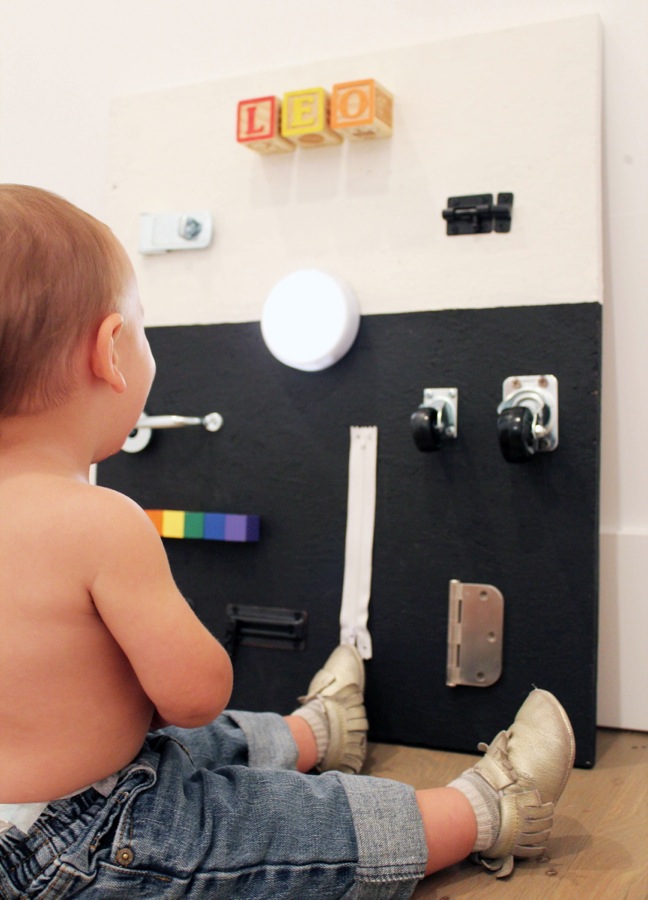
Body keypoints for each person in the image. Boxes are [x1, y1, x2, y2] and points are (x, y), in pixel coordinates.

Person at [0, 184, 576, 899]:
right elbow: (195, 694)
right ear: (110, 352)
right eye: (145, 326)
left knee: (183, 750)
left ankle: (316, 734)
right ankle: (486, 810)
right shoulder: (99, 520)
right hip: (86, 843)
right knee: (276, 822)